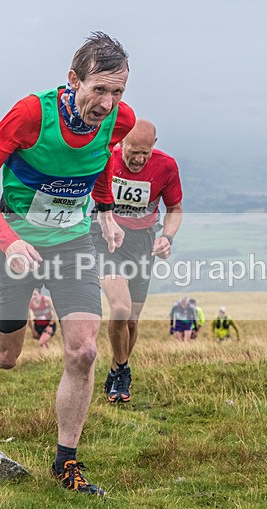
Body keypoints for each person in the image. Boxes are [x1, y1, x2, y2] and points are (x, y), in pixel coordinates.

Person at [0, 32, 135, 496]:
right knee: (8, 355)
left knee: (84, 350)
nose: (107, 102)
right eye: (99, 88)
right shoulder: (31, 115)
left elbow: (102, 162)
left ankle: (65, 462)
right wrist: (8, 239)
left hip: (73, 244)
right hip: (16, 244)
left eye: (117, 91)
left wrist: (104, 210)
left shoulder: (120, 120)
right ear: (73, 79)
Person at [92, 119, 183, 404]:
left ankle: (116, 369)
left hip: (142, 242)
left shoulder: (166, 166)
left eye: (145, 152)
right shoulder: (105, 157)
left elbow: (175, 209)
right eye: (133, 151)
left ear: (153, 146)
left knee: (131, 320)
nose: (138, 159)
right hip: (107, 238)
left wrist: (167, 237)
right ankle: (123, 371)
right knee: (120, 307)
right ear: (122, 144)